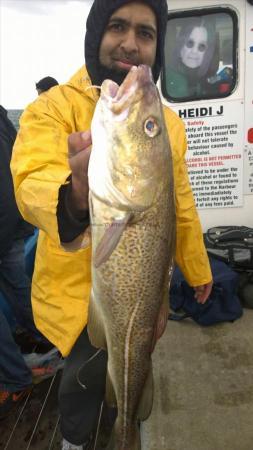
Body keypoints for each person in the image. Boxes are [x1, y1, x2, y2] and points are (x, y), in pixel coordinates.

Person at [11, 1, 213, 448]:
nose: (131, 44)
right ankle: (75, 440)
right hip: (70, 300)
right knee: (78, 386)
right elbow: (30, 181)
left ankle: (127, 425)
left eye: (146, 33)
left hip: (141, 294)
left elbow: (181, 206)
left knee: (132, 365)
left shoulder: (170, 125)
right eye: (118, 27)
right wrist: (75, 195)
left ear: (157, 46)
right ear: (96, 33)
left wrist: (198, 268)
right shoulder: (53, 106)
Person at [165, 16, 220, 98]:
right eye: (189, 43)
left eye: (202, 46)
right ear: (180, 45)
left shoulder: (206, 79)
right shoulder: (166, 76)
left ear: (207, 53)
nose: (194, 51)